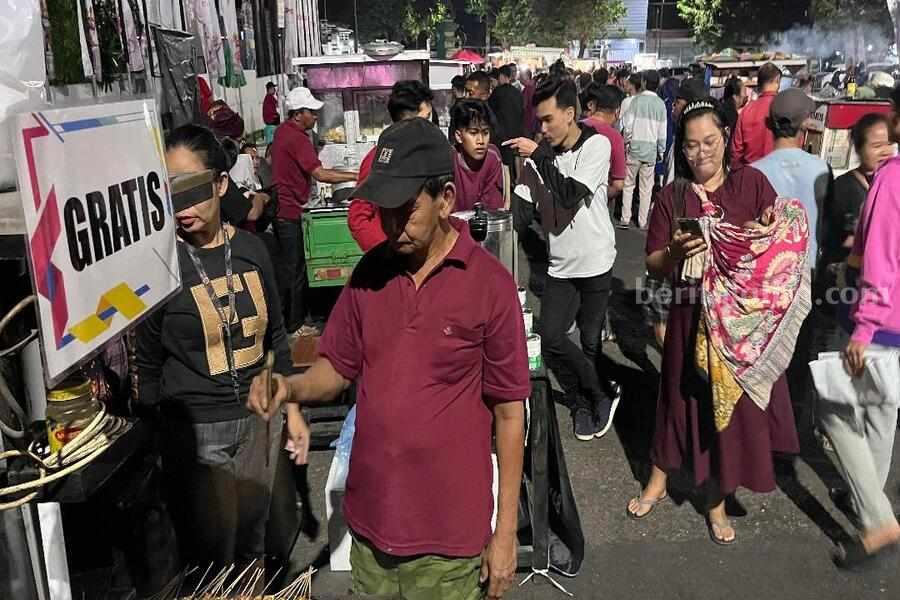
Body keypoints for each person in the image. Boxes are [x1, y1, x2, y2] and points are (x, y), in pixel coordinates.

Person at [247, 118, 529, 600]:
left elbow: (509, 413)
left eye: (406, 209)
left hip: (448, 538)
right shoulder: (369, 273)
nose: (392, 224)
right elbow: (336, 368)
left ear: (445, 199)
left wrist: (505, 533)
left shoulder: (489, 285)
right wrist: (289, 387)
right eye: (384, 210)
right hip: (371, 525)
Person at [135, 124, 308, 574]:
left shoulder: (253, 249)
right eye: (171, 191)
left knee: (253, 542)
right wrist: (154, 442)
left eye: (193, 190)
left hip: (259, 422)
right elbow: (147, 363)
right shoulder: (159, 265)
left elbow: (276, 338)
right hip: (195, 432)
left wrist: (292, 411)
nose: (183, 207)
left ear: (220, 184)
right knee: (211, 553)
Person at [627, 100, 801, 545]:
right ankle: (658, 479)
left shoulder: (751, 184)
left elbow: (780, 233)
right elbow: (653, 264)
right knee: (674, 400)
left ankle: (716, 498)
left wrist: (766, 228)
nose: (700, 153)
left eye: (709, 141)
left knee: (722, 410)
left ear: (725, 138)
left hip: (739, 325)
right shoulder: (672, 196)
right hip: (688, 314)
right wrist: (675, 252)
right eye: (690, 145)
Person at [504, 77, 619, 441]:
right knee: (552, 337)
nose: (542, 128)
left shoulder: (597, 145)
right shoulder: (538, 159)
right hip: (560, 266)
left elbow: (569, 194)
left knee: (589, 341)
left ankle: (585, 400)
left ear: (570, 114)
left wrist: (539, 156)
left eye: (548, 119)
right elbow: (518, 217)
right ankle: (599, 394)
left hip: (596, 259)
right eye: (538, 121)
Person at [819, 145, 900, 570]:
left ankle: (876, 516)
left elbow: (881, 257)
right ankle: (869, 501)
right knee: (881, 413)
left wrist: (864, 326)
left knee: (833, 406)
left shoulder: (892, 178)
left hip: (879, 320)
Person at [753, 88, 833, 439]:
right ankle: (789, 436)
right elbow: (827, 229)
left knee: (764, 357)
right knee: (798, 358)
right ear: (804, 126)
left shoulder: (754, 171)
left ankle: (762, 430)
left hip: (765, 279)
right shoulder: (821, 169)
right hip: (806, 277)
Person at [270, 86, 358, 333]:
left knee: (293, 269)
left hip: (285, 208)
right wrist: (357, 175)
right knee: (295, 271)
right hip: (289, 211)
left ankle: (298, 319)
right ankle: (295, 325)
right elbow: (320, 174)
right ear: (298, 114)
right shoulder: (297, 138)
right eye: (312, 112)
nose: (316, 116)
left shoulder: (283, 132)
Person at [349, 80, 434, 253]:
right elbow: (358, 218)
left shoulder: (428, 154)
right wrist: (387, 254)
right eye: (426, 118)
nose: (430, 125)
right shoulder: (379, 158)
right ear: (408, 121)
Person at [820, 114, 894, 271]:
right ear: (859, 149)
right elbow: (831, 238)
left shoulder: (894, 185)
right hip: (846, 276)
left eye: (889, 144)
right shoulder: (843, 188)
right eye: (877, 146)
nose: (885, 151)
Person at [619, 70, 668, 230]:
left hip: (634, 149)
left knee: (628, 185)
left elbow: (628, 126)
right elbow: (662, 132)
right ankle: (642, 221)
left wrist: (627, 142)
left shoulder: (636, 101)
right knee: (646, 189)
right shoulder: (660, 104)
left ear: (644, 83)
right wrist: (661, 150)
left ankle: (625, 218)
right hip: (651, 151)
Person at [452, 99, 504, 211]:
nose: (480, 141)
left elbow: (493, 206)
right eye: (473, 133)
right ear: (459, 137)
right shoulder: (448, 159)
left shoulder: (492, 157)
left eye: (485, 133)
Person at [580, 83, 627, 200]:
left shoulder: (577, 127)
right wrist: (600, 198)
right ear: (617, 111)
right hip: (598, 201)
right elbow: (618, 185)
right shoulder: (615, 137)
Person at [730, 62, 781, 167]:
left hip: (751, 171)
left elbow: (736, 152)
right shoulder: (785, 107)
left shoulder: (746, 111)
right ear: (777, 79)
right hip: (778, 171)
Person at [489, 64, 525, 175]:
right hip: (516, 131)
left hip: (501, 133)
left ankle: (507, 182)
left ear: (502, 76)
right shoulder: (517, 93)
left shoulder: (497, 92)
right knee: (514, 159)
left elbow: (490, 110)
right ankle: (516, 180)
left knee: (504, 163)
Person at [263, 81, 280, 146]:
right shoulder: (269, 97)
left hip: (269, 119)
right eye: (273, 88)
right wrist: (278, 96)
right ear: (269, 89)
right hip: (271, 119)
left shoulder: (267, 97)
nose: (274, 90)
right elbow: (278, 104)